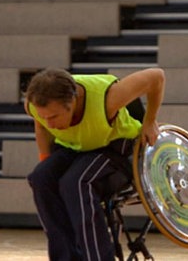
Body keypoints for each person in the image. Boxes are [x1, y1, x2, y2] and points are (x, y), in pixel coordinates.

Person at [25, 67, 165, 261]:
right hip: (77, 148)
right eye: (45, 116)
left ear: (73, 101)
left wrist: (150, 120)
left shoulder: (107, 98)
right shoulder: (35, 104)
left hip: (116, 148)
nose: (49, 123)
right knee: (41, 178)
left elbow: (156, 76)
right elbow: (40, 127)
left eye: (54, 117)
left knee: (76, 183)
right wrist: (46, 164)